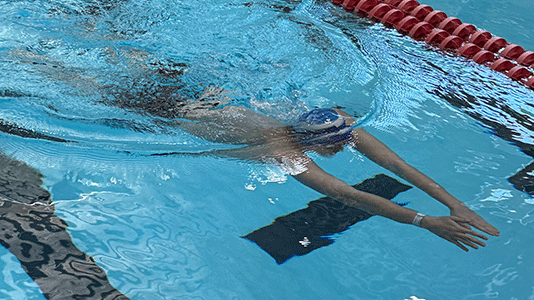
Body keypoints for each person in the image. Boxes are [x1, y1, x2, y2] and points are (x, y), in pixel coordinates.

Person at [172, 104, 500, 252]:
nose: (346, 147)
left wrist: (455, 205)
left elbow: (399, 166)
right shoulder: (285, 151)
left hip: (210, 101)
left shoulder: (335, 121)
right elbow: (347, 195)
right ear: (314, 144)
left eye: (347, 140)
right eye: (335, 147)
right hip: (168, 114)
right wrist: (423, 220)